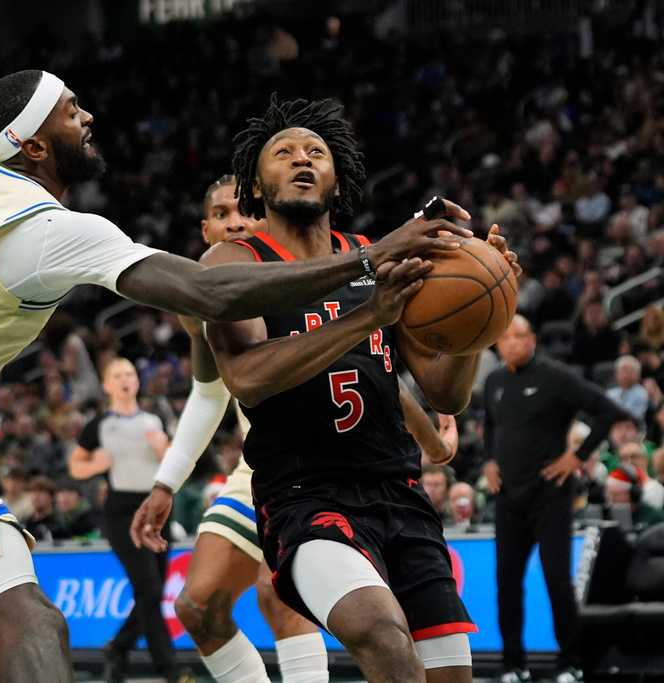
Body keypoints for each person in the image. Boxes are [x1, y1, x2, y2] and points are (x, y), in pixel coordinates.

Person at [0, 70, 472, 683]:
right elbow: (205, 293)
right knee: (33, 622)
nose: (87, 115)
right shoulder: (49, 227)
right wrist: (373, 256)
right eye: (69, 110)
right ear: (32, 143)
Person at [191, 95, 517, 683]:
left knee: (450, 676)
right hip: (305, 494)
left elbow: (443, 394)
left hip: (399, 490)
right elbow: (247, 379)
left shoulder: (374, 262)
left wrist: (481, 321)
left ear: (336, 180)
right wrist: (367, 316)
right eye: (283, 152)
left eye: (315, 151)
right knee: (383, 635)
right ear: (256, 188)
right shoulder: (233, 259)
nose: (301, 158)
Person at [130, 175, 461, 683]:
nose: (234, 221)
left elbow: (377, 372)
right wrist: (167, 481)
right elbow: (212, 391)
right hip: (271, 469)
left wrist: (433, 440)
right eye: (221, 215)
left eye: (242, 212)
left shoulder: (320, 271)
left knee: (281, 597)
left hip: (346, 464)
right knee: (196, 608)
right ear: (204, 229)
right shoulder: (205, 293)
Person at [484, 315, 625, 683]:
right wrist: (488, 461)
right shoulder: (494, 381)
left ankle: (570, 662)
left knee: (556, 580)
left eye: (520, 336)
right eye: (506, 337)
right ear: (497, 345)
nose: (512, 342)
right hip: (508, 500)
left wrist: (576, 457)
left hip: (549, 495)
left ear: (533, 339)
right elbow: (490, 425)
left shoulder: (555, 376)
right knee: (506, 582)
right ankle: (513, 664)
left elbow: (607, 411)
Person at [67, 357, 190, 683]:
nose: (126, 379)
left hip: (157, 507)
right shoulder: (100, 425)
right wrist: (94, 466)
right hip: (122, 511)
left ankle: (119, 647)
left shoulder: (154, 418)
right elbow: (76, 466)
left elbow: (179, 459)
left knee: (154, 590)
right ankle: (170, 669)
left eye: (131, 374)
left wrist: (167, 451)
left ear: (137, 381)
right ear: (107, 385)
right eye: (118, 375)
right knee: (148, 588)